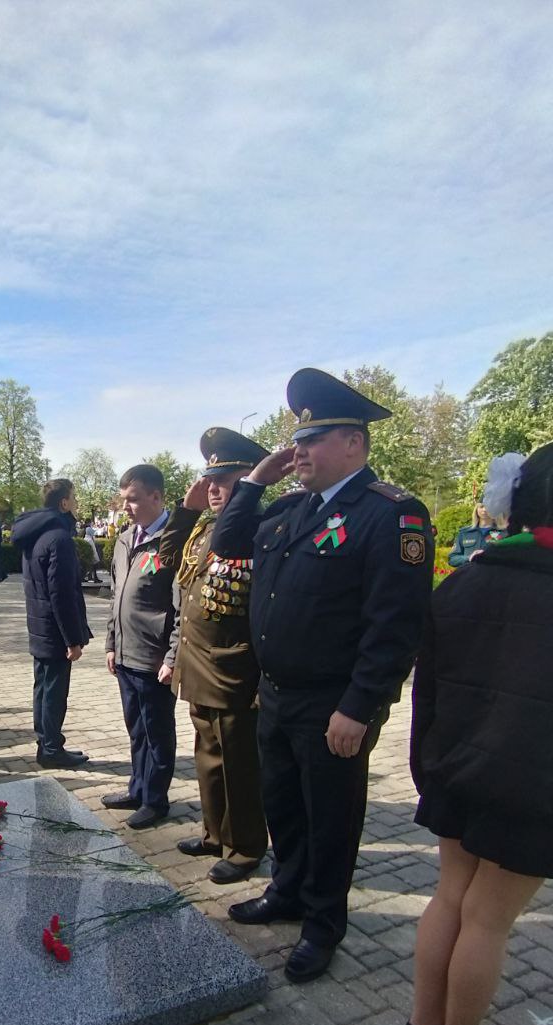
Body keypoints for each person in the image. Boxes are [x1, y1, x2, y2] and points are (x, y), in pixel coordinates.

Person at [214, 368, 433, 982]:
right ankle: (286, 892)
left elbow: (395, 627)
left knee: (330, 819)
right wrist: (257, 478)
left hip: (332, 703)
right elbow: (227, 544)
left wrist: (360, 706)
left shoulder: (391, 515)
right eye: (297, 439)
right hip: (277, 694)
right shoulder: (290, 508)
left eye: (313, 439)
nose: (298, 450)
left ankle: (322, 922)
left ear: (354, 444)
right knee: (282, 806)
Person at [401, 441, 553, 1025]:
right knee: (488, 919)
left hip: (456, 775)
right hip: (536, 791)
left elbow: (429, 696)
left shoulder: (464, 579)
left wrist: (429, 773)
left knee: (451, 897)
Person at [159, 430, 271, 883]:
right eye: (210, 480)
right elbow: (169, 558)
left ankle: (244, 847)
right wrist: (187, 509)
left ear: (250, 479)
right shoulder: (204, 527)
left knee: (239, 762)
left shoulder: (259, 527)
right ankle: (213, 832)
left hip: (233, 666)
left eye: (225, 479)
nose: (214, 488)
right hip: (199, 662)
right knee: (207, 753)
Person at [104, 464, 180, 830]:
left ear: (156, 496)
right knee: (136, 728)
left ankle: (155, 800)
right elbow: (116, 597)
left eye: (133, 501)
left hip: (155, 658)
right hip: (126, 653)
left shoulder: (173, 540)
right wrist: (110, 644)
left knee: (157, 732)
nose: (127, 508)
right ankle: (137, 788)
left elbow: (182, 606)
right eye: (124, 502)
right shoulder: (123, 540)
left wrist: (173, 655)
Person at [12, 478, 92, 768]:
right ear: (64, 503)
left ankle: (45, 744)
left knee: (43, 688)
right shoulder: (58, 538)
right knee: (54, 693)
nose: (77, 502)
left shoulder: (36, 534)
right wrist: (73, 639)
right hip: (55, 629)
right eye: (75, 497)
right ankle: (51, 750)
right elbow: (62, 594)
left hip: (40, 625)